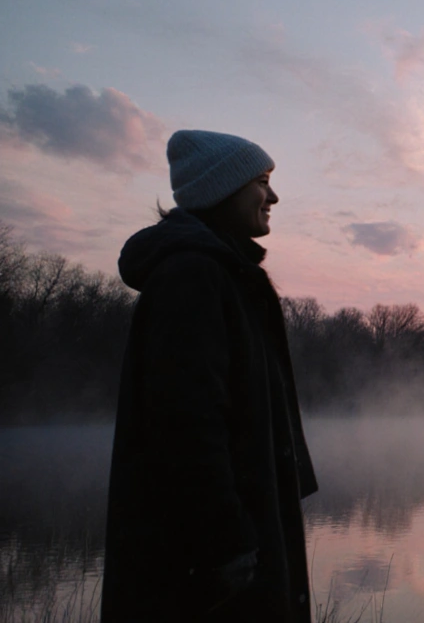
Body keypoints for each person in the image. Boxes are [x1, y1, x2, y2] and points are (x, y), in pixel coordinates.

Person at [103, 130, 318, 622]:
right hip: (211, 560)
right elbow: (185, 421)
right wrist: (226, 541)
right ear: (221, 189)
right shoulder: (193, 276)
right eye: (262, 181)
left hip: (234, 537)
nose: (274, 196)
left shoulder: (223, 274)